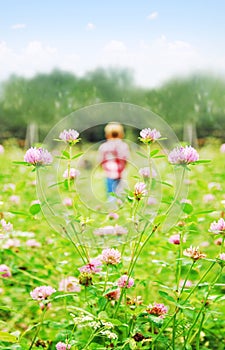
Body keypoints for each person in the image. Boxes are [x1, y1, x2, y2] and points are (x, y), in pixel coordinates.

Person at [98, 122, 129, 199]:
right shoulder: (123, 145)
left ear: (107, 134)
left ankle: (112, 210)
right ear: (121, 134)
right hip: (120, 174)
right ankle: (120, 209)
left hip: (109, 174)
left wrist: (101, 168)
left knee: (111, 194)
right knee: (121, 194)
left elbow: (100, 160)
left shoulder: (104, 146)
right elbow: (126, 159)